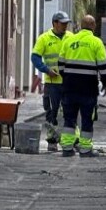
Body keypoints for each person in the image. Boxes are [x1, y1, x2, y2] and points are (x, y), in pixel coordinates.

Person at [56, 15, 106, 158]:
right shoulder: (96, 42)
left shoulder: (69, 41)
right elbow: (104, 66)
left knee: (69, 118)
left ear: (80, 25)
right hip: (88, 89)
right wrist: (105, 83)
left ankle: (67, 148)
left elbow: (60, 64)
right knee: (87, 118)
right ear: (93, 26)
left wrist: (67, 77)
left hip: (69, 87)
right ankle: (85, 149)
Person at [30, 11, 72, 151]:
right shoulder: (44, 38)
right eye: (63, 23)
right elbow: (35, 57)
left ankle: (69, 141)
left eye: (67, 23)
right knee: (51, 112)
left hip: (68, 82)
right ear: (55, 23)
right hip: (52, 83)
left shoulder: (71, 38)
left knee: (69, 111)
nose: (65, 26)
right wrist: (47, 70)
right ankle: (52, 140)